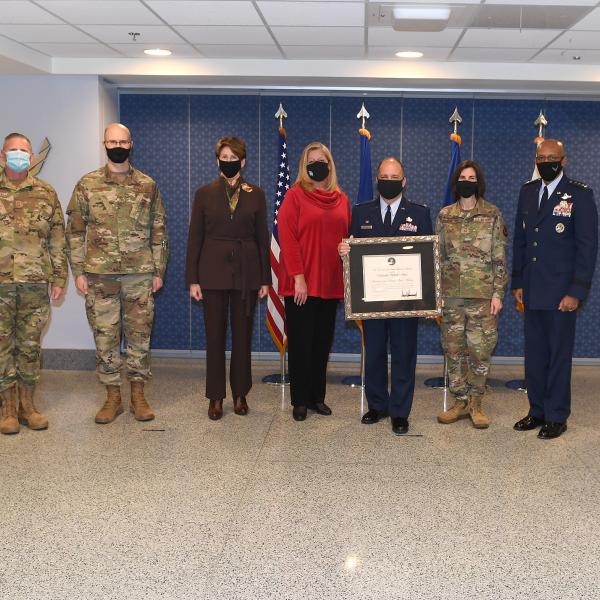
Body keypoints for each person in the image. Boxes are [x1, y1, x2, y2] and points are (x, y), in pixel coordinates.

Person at [66, 123, 169, 425]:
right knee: (105, 337)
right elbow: (75, 231)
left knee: (139, 336)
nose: (118, 145)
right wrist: (78, 271)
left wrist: (158, 270)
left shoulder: (147, 184)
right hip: (100, 275)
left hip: (139, 274)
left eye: (122, 141)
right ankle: (113, 397)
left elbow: (159, 230)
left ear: (131, 144)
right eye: (112, 141)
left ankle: (138, 394)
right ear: (104, 144)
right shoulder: (87, 184)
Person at [338, 157, 432, 435]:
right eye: (384, 176)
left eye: (394, 177)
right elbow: (354, 255)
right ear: (377, 180)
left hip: (406, 301)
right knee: (375, 353)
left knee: (404, 355)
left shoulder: (420, 213)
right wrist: (345, 251)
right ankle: (378, 406)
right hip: (373, 301)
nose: (388, 181)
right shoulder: (361, 212)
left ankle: (400, 412)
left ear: (404, 181)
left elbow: (427, 259)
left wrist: (428, 299)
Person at [512, 139, 598, 439]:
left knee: (558, 356)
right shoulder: (528, 192)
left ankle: (557, 415)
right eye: (540, 157)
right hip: (533, 290)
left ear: (563, 160)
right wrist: (518, 282)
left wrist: (576, 291)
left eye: (551, 157)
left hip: (562, 293)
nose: (545, 161)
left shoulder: (579, 194)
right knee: (534, 355)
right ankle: (536, 411)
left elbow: (587, 247)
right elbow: (521, 242)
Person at [186, 136, 270, 420]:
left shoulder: (256, 194)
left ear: (243, 162)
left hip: (247, 274)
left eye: (234, 158)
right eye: (225, 157)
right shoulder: (204, 193)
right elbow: (194, 238)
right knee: (215, 337)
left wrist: (265, 279)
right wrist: (193, 279)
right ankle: (215, 397)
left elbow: (262, 238)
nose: (229, 162)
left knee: (243, 337)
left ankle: (240, 394)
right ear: (217, 160)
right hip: (212, 274)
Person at [278, 142, 351, 422]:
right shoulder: (294, 196)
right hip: (301, 283)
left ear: (330, 165)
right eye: (312, 161)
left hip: (330, 282)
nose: (317, 164)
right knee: (301, 343)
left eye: (322, 160)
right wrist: (298, 278)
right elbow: (288, 239)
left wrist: (348, 246)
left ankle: (316, 398)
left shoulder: (341, 198)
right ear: (304, 166)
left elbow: (346, 237)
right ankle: (299, 400)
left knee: (322, 343)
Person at [0, 132, 68, 435]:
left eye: (23, 151)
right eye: (12, 150)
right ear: (2, 156)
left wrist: (59, 278)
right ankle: (7, 408)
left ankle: (28, 406)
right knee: (2, 347)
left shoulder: (46, 192)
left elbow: (57, 239)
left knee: (29, 347)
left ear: (32, 157)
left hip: (35, 285)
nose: (18, 154)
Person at [436, 160, 508, 429]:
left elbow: (499, 257)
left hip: (482, 297)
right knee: (453, 351)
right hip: (452, 297)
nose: (467, 181)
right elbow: (439, 257)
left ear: (479, 182)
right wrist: (438, 293)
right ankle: (458, 401)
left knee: (480, 351)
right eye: (463, 177)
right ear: (456, 183)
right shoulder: (445, 215)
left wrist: (498, 294)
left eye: (472, 177)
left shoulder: (492, 214)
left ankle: (476, 404)